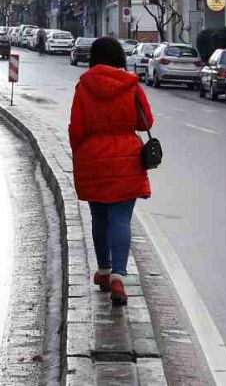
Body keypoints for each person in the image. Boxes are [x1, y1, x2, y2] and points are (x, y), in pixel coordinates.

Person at [68, 36, 153, 306]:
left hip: (94, 158)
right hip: (127, 159)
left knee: (99, 217)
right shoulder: (131, 86)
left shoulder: (84, 87)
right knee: (120, 218)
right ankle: (119, 275)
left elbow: (76, 130)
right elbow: (145, 122)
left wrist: (82, 154)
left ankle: (103, 270)